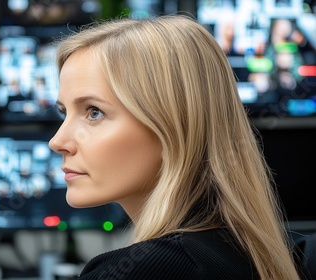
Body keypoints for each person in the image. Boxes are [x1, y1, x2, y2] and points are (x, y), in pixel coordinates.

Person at [48, 15, 304, 279]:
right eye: (64, 112)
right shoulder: (241, 251)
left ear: (173, 126)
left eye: (94, 112)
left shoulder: (148, 270)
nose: (57, 142)